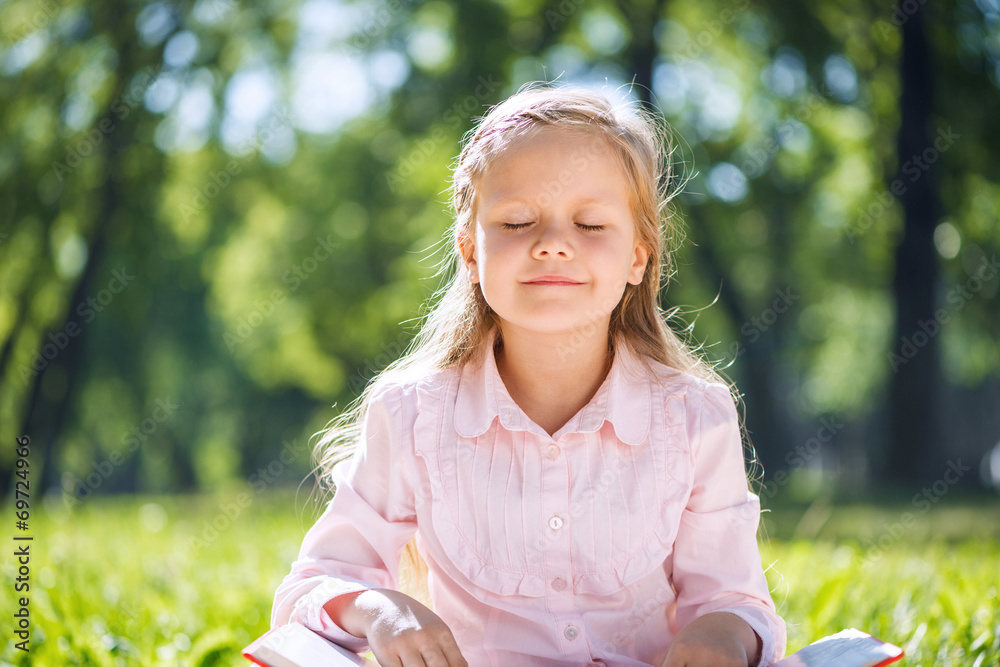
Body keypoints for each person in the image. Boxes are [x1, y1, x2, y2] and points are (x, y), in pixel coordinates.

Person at [271, 82, 787, 667]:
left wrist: (720, 634)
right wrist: (379, 610)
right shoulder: (410, 414)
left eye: (590, 225)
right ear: (470, 252)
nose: (552, 245)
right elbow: (311, 587)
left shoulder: (696, 417)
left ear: (638, 257)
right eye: (517, 222)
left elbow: (734, 599)